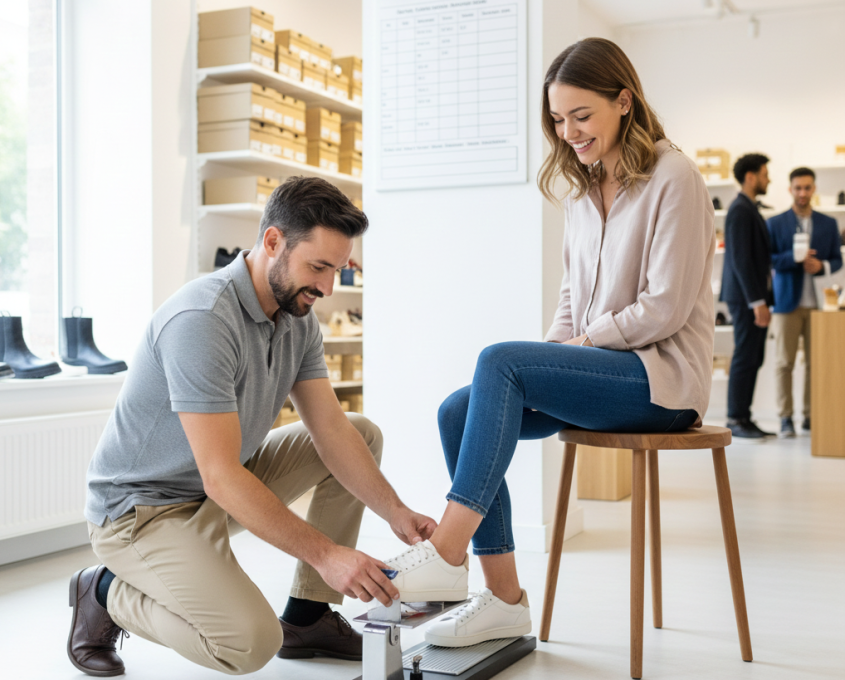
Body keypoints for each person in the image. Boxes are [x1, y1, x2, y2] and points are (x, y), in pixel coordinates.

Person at [380, 37, 714, 648]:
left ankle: (447, 551)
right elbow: (570, 299)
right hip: (601, 373)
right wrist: (558, 352)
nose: (569, 133)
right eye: (558, 120)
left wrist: (579, 346)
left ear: (624, 102)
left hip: (660, 383)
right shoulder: (584, 190)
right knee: (459, 409)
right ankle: (503, 600)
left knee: (499, 361)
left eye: (581, 116)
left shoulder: (676, 177)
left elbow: (664, 306)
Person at [67, 177, 436, 676]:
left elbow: (330, 430)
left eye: (338, 269)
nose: (328, 288)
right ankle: (104, 591)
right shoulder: (202, 319)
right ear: (273, 241)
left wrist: (396, 511)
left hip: (211, 489)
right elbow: (220, 475)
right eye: (318, 267)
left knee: (359, 432)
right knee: (248, 643)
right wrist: (328, 555)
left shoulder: (298, 317)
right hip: (143, 511)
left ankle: (308, 617)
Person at [768, 167, 843, 437]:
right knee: (784, 363)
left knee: (817, 363)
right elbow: (768, 259)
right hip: (785, 303)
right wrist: (794, 258)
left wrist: (821, 266)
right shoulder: (775, 223)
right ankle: (785, 418)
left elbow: (837, 259)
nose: (802, 193)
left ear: (814, 189)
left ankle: (812, 416)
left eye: (807, 187)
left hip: (820, 305)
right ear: (790, 189)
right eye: (798, 188)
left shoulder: (828, 223)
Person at [720, 153, 775, 439]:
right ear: (751, 177)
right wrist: (757, 302)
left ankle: (744, 416)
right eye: (765, 174)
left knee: (753, 356)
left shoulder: (748, 208)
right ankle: (736, 418)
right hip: (745, 298)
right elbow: (741, 260)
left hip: (750, 296)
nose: (769, 180)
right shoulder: (740, 210)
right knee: (745, 356)